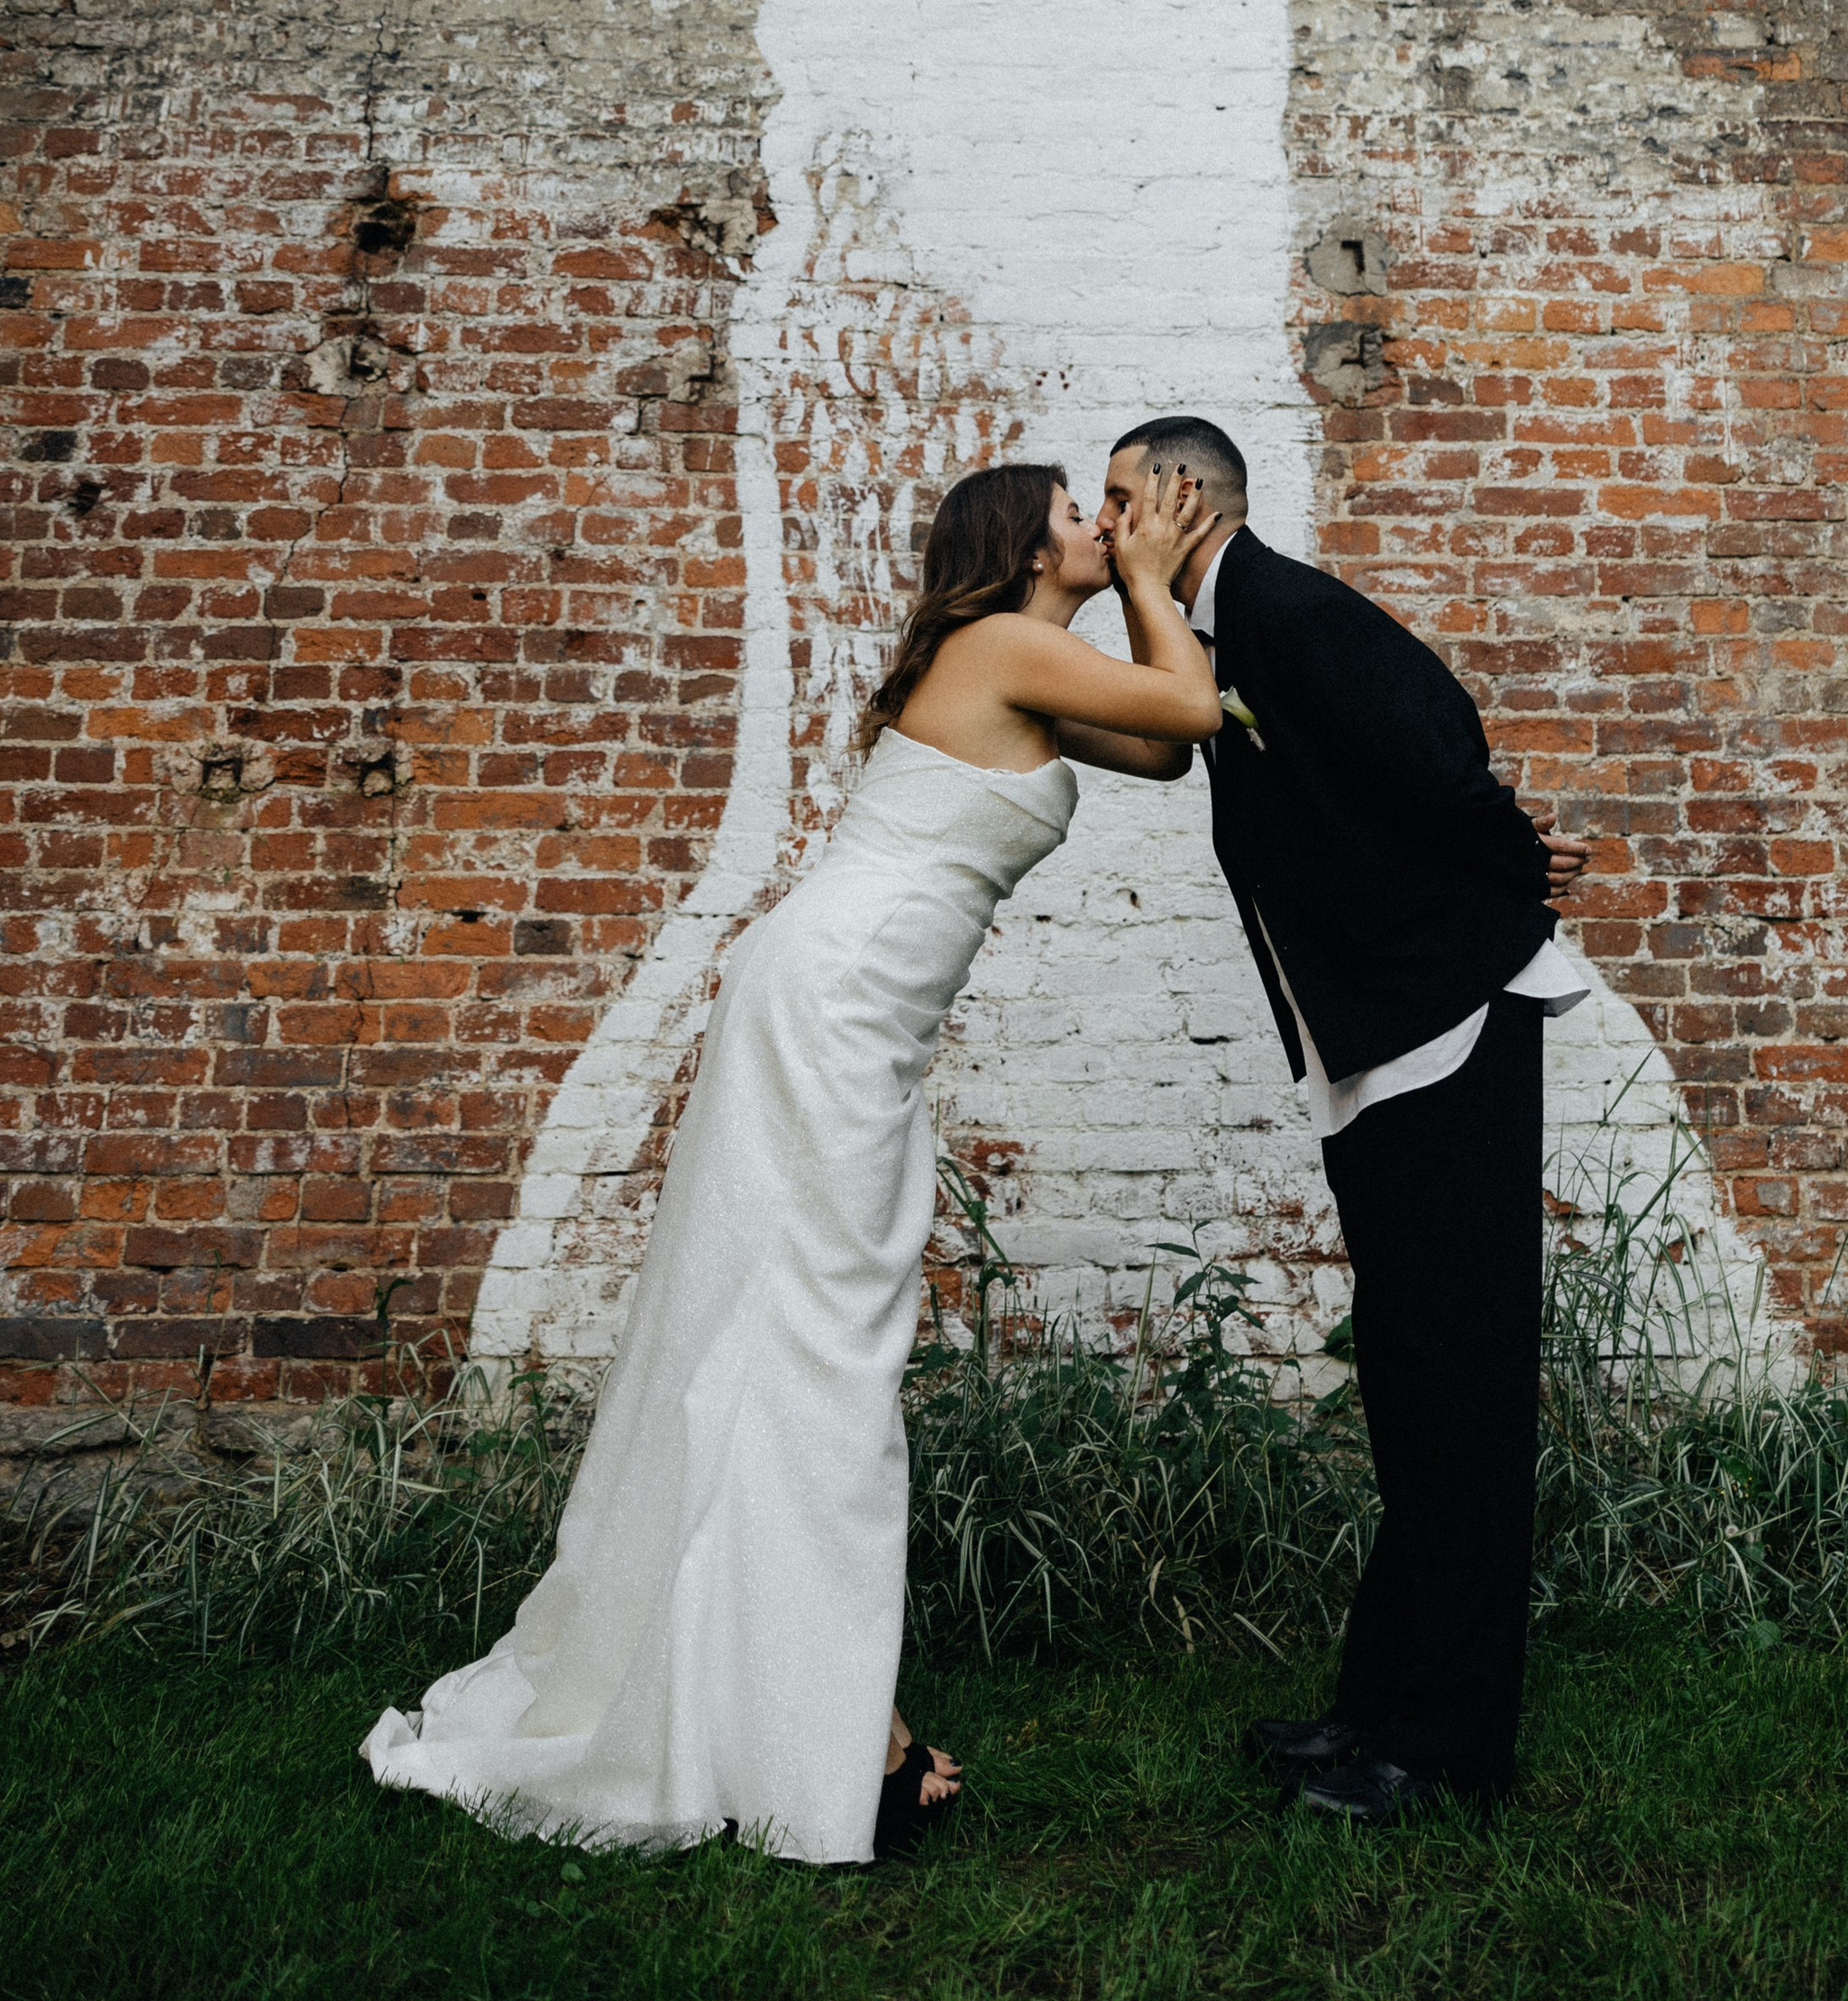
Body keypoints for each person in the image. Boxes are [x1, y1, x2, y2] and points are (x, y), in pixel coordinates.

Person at [364, 458, 1220, 1864]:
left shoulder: (1030, 664)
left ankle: (803, 1704)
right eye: (1081, 508)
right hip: (829, 1009)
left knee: (802, 1345)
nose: (1105, 522)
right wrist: (1147, 578)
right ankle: (834, 1736)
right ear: (1016, 547)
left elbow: (1167, 746)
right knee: (824, 1351)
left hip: (839, 1009)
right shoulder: (1003, 644)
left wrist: (1135, 587)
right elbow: (1191, 701)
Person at [1100, 417, 1589, 1829]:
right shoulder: (1216, 629)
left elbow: (1434, 740)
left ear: (1188, 496)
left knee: (1462, 1389)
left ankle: (1447, 1752)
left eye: (1127, 494)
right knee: (1409, 1379)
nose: (1111, 512)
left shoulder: (1294, 610)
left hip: (1444, 1028)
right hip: (1379, 1040)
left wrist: (1512, 864)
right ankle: (1380, 1705)